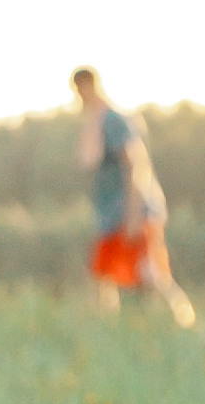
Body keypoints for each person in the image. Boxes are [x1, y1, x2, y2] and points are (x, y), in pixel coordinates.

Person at [72, 67, 194, 326]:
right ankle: (108, 328)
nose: (78, 96)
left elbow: (136, 166)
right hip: (110, 215)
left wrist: (134, 215)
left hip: (132, 211)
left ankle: (186, 324)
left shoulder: (115, 120)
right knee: (103, 276)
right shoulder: (95, 122)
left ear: (90, 86)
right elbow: (86, 161)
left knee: (154, 276)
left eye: (80, 89)